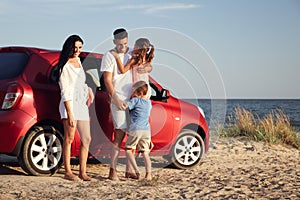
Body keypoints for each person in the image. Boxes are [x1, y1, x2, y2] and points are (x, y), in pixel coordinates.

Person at [101, 28, 136, 180]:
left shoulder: (132, 53)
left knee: (133, 135)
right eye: (120, 44)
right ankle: (112, 171)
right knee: (119, 134)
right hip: (119, 99)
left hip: (134, 100)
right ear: (114, 41)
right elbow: (107, 80)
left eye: (125, 44)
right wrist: (115, 99)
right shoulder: (109, 55)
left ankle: (129, 170)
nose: (123, 47)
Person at [57, 34, 94, 181]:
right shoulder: (65, 66)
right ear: (69, 47)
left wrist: (88, 89)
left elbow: (80, 83)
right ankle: (67, 172)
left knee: (87, 138)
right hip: (70, 105)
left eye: (80, 47)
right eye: (75, 47)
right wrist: (70, 113)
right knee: (69, 138)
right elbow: (65, 90)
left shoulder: (79, 61)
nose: (77, 50)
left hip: (81, 105)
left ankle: (82, 172)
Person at [124, 81, 153, 181]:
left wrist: (116, 101)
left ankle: (136, 171)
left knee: (128, 150)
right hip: (146, 130)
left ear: (140, 93)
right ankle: (148, 175)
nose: (132, 94)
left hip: (136, 129)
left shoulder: (135, 100)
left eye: (133, 92)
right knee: (145, 153)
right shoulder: (149, 103)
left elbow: (125, 106)